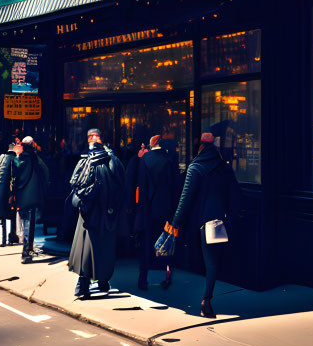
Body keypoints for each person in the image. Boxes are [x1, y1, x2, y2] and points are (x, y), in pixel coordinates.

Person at [160, 132, 242, 318]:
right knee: (212, 261)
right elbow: (236, 194)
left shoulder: (195, 167)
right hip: (218, 222)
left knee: (203, 258)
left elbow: (185, 198)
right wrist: (229, 218)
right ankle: (207, 299)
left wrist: (175, 223)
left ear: (200, 148)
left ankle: (205, 301)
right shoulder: (223, 167)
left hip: (199, 222)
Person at [68, 128, 125, 299]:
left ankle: (82, 285)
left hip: (87, 213)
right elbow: (121, 188)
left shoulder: (84, 162)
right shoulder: (113, 161)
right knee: (105, 248)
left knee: (86, 248)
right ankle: (103, 281)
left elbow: (75, 186)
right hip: (107, 213)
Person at [135, 135, 178, 290]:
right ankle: (166, 277)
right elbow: (175, 186)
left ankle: (143, 279)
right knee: (166, 244)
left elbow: (141, 186)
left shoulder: (145, 160)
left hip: (148, 209)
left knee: (146, 245)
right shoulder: (169, 159)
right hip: (166, 209)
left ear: (151, 144)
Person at [12, 136, 50, 263]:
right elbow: (46, 173)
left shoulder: (19, 159)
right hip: (33, 197)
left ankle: (26, 251)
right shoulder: (36, 159)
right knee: (30, 226)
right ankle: (27, 251)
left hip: (21, 197)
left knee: (24, 224)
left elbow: (14, 176)